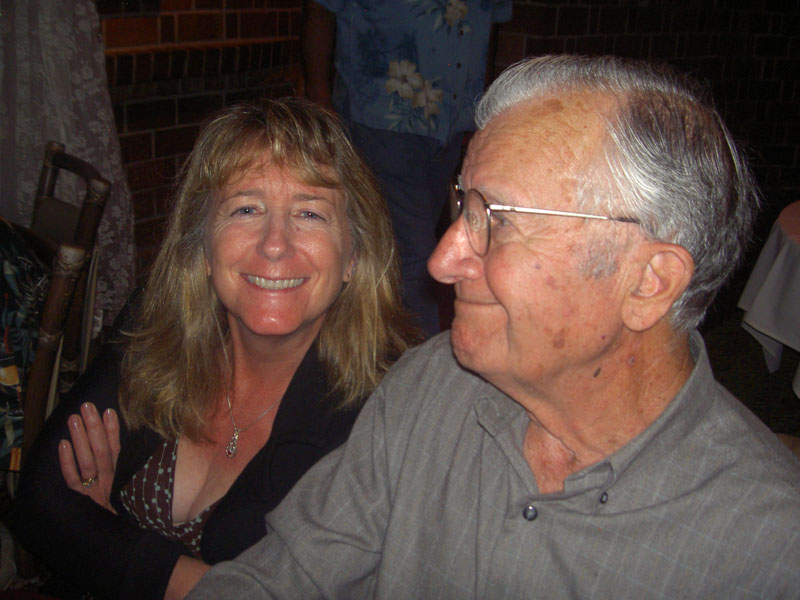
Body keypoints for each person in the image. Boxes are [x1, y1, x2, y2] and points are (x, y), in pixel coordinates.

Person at [187, 55, 800, 598]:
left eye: (497, 219)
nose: (441, 260)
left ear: (648, 282)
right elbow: (285, 577)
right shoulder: (433, 386)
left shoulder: (769, 551)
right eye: (464, 205)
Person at [6, 97, 414, 600]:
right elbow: (39, 501)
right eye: (246, 209)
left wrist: (105, 537)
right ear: (202, 245)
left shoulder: (382, 409)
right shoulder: (156, 322)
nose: (274, 243)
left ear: (353, 255)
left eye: (310, 213)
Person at [302, 0, 512, 337]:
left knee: (394, 249)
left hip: (452, 121)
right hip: (385, 114)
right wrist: (319, 97)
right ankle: (422, 359)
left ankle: (364, 341)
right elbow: (321, 10)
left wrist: (480, 111)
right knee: (413, 258)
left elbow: (490, 24)